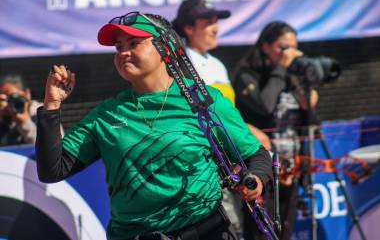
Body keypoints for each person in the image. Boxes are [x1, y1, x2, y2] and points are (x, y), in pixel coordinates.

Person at [35, 12, 273, 240]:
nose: (124, 53)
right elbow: (52, 170)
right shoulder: (105, 115)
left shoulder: (203, 99)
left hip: (207, 231)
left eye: (134, 43)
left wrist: (256, 180)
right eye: (118, 47)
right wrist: (52, 106)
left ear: (165, 49)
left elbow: (255, 154)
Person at [172, 0, 272, 237]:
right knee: (229, 228)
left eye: (216, 21)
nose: (216, 27)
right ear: (188, 28)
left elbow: (228, 114)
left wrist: (247, 131)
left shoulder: (216, 64)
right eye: (208, 22)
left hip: (235, 163)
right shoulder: (181, 64)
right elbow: (199, 115)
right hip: (209, 166)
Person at [231, 21, 319, 240]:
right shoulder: (247, 75)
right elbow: (265, 106)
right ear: (265, 47)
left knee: (283, 233)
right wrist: (281, 69)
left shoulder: (292, 77)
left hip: (291, 169)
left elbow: (311, 123)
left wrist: (307, 95)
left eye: (293, 48)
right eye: (282, 47)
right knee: (260, 233)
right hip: (262, 170)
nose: (288, 54)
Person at [0, 74, 41, 146]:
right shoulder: (3, 119)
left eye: (13, 97)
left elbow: (54, 149)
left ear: (27, 94)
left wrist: (25, 123)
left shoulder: (44, 115)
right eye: (5, 100)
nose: (10, 104)